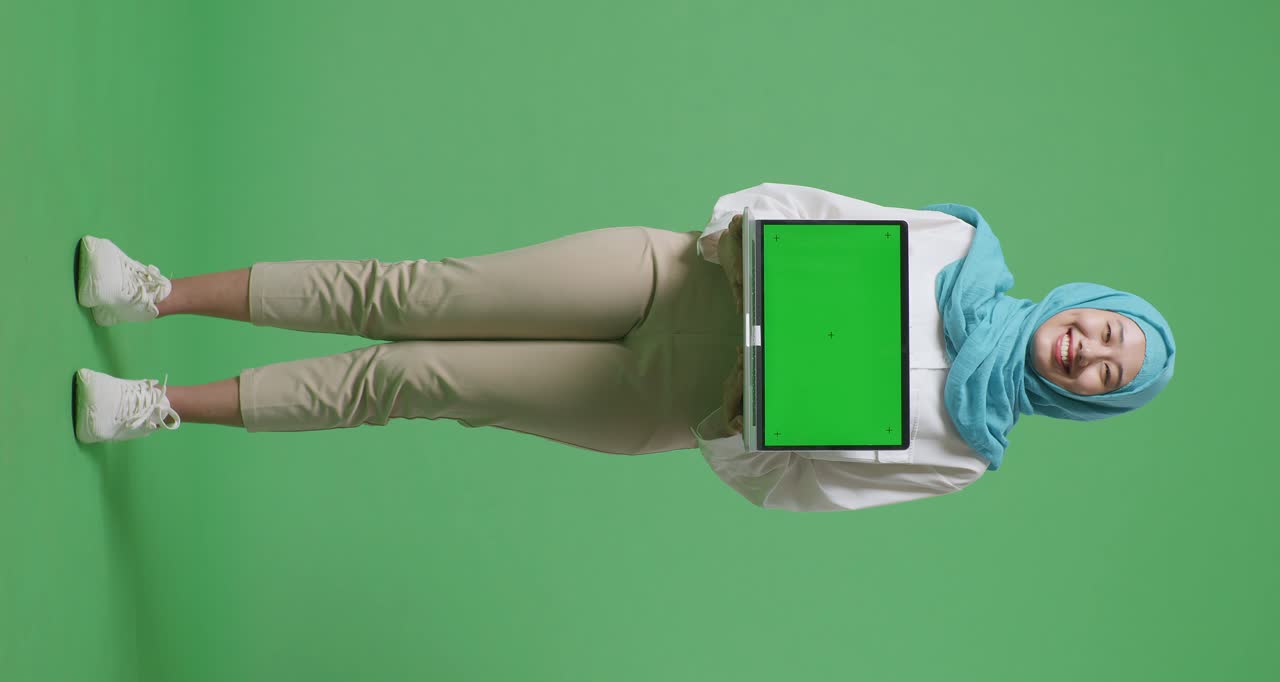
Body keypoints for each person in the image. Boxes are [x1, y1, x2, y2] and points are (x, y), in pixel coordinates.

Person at [73, 182, 1176, 513]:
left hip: (666, 394)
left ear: (1089, 401)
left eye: (1103, 377)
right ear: (1093, 303)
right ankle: (151, 293)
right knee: (410, 291)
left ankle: (155, 403)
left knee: (407, 377)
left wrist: (742, 424)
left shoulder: (968, 451)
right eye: (1106, 333)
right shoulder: (960, 249)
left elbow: (805, 490)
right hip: (679, 272)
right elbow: (817, 205)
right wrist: (744, 229)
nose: (1085, 353)